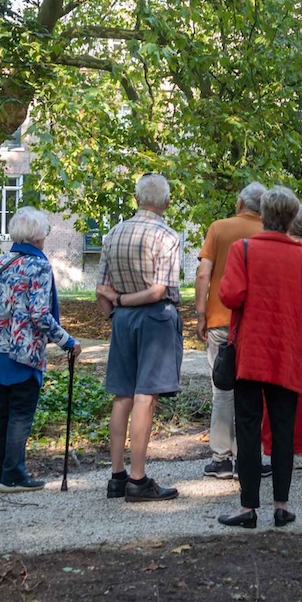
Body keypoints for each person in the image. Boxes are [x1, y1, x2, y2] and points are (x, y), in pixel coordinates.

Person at [217, 186, 302, 528]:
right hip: (289, 355)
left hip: (250, 355)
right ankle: (281, 506)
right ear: (291, 218)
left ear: (262, 215)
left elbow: (231, 296)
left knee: (248, 430)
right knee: (283, 429)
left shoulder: (241, 250)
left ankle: (247, 509)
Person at [0, 207, 82, 494]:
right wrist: (68, 341)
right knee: (20, 413)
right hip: (22, 353)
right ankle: (13, 476)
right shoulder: (39, 266)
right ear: (38, 235)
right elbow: (40, 315)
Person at [95, 173, 184, 503]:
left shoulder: (113, 233)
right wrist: (125, 302)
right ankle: (138, 479)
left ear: (136, 199)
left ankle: (116, 476)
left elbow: (101, 290)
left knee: (122, 395)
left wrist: (117, 310)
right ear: (167, 202)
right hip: (155, 319)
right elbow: (159, 290)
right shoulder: (167, 236)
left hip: (123, 321)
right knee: (146, 395)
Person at [194, 182, 266, 480]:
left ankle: (221, 459)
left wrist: (200, 313)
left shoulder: (219, 228)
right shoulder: (270, 233)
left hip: (222, 319)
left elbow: (203, 272)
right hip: (257, 322)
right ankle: (248, 457)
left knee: (222, 389)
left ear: (239, 203)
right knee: (254, 390)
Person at [259, 202, 302, 468]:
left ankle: (270, 448)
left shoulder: (275, 253)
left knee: (269, 390)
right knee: (300, 391)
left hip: (273, 329)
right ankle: (297, 449)